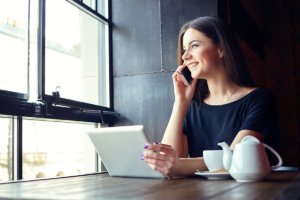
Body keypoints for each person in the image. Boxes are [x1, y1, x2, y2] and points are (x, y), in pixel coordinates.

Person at [142, 16, 278, 177]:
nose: (185, 56)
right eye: (184, 49)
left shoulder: (259, 99)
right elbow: (166, 163)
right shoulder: (191, 107)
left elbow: (236, 157)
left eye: (194, 46)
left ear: (221, 49)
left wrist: (182, 165)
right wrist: (180, 103)